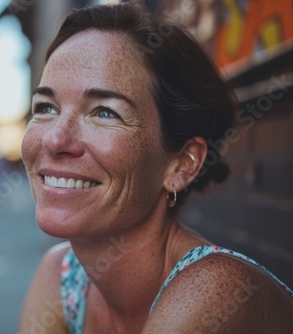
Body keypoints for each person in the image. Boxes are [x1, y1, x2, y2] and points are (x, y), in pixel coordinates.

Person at [18, 3, 293, 333]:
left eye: (105, 112)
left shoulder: (216, 288)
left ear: (182, 163)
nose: (54, 139)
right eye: (45, 107)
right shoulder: (63, 275)